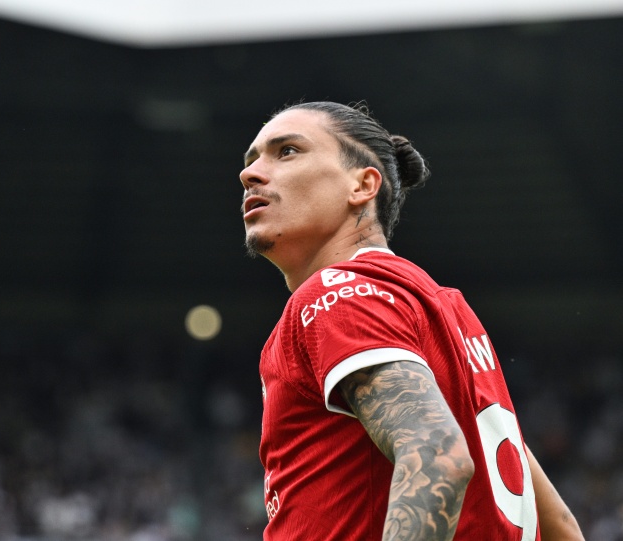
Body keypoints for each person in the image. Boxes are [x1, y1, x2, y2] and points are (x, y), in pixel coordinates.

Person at [239, 101, 583, 541]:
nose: (250, 174)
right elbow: (561, 525)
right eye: (251, 159)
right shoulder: (441, 309)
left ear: (363, 185)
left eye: (287, 151)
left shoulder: (337, 294)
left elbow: (438, 455)